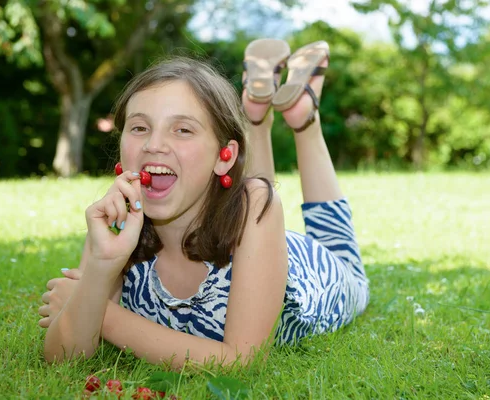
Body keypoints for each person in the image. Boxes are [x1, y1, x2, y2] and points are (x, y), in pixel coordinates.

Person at [38, 39, 369, 368]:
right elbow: (63, 359)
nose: (154, 145)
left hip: (312, 270)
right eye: (139, 127)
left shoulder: (255, 202)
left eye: (182, 129)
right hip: (249, 234)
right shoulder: (117, 216)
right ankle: (256, 114)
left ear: (225, 157)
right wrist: (101, 264)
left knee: (345, 265)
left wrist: (100, 312)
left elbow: (242, 360)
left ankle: (304, 120)